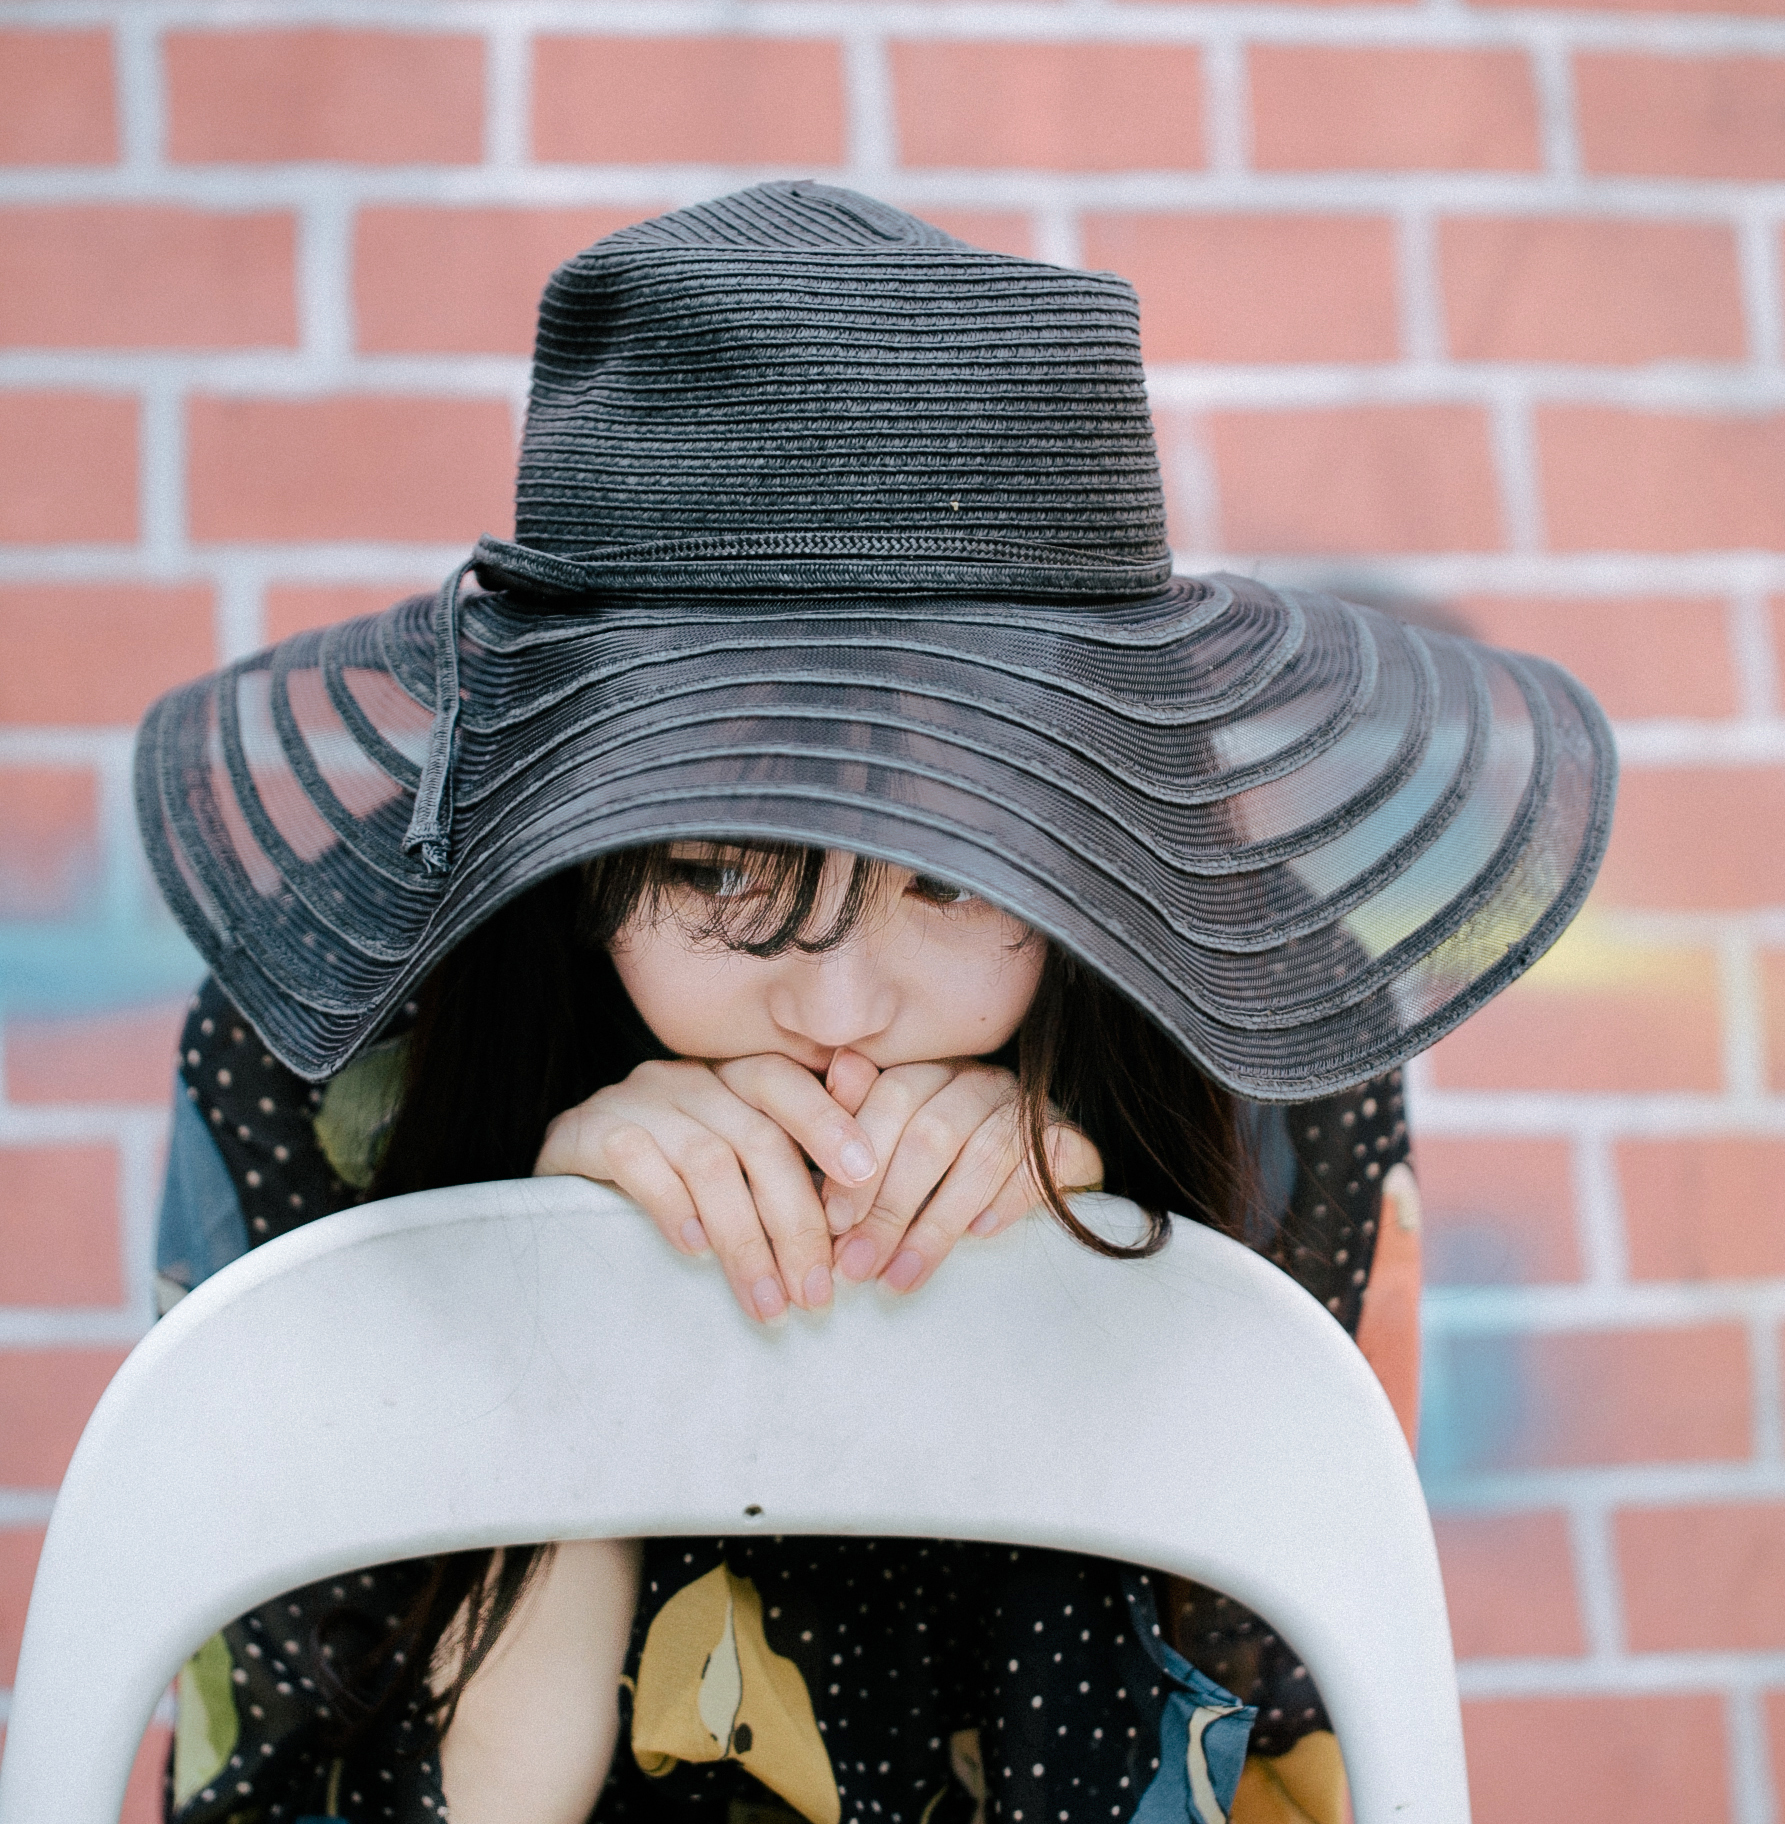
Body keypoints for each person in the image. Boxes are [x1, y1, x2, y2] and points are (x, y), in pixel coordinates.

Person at [138, 182, 1614, 1824]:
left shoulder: (1269, 1063)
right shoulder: (331, 1066)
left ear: (1085, 820)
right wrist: (561, 1308)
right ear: (574, 827)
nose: (838, 1006)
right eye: (715, 868)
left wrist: (1106, 1296)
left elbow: (1264, 1725)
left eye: (954, 875)